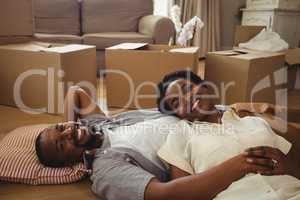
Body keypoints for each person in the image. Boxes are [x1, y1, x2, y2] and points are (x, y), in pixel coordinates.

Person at [35, 72, 297, 200]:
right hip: (203, 146)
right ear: (68, 161)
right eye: (62, 145)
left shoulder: (102, 124)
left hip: (208, 117)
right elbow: (163, 194)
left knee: (260, 108)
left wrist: (69, 126)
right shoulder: (106, 169)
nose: (69, 133)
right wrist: (241, 163)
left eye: (62, 129)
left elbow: (76, 92)